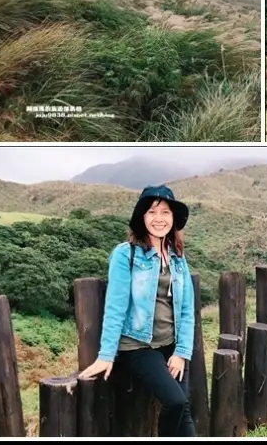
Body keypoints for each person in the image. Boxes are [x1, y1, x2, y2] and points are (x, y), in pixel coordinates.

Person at [79, 185, 196, 437]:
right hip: (138, 346)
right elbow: (115, 306)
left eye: (165, 212)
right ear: (142, 217)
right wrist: (106, 355)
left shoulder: (178, 257)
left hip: (171, 345)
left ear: (173, 218)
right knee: (175, 402)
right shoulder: (126, 254)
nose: (159, 218)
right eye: (152, 211)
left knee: (183, 408)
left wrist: (181, 352)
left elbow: (187, 309)